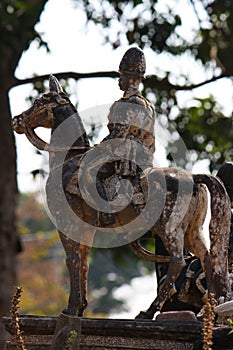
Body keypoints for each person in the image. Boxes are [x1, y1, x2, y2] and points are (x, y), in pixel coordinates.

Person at [155, 162, 233, 313]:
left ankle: (210, 307)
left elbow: (227, 255)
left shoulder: (228, 218)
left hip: (227, 269)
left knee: (197, 276)